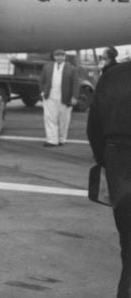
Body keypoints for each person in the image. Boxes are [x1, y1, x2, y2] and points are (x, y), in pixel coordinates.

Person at [87, 61, 131, 298]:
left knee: (128, 242)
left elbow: (93, 125)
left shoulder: (112, 76)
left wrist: (105, 161)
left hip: (118, 162)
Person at [38, 48, 79, 147]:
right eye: (57, 55)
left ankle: (61, 139)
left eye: (61, 55)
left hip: (65, 97)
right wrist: (42, 92)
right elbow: (41, 80)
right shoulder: (47, 67)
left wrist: (74, 97)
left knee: (64, 119)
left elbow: (75, 84)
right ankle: (52, 140)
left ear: (65, 57)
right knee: (50, 118)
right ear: (54, 57)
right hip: (50, 96)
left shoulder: (71, 68)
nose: (59, 57)